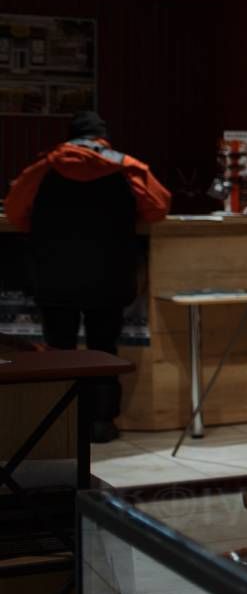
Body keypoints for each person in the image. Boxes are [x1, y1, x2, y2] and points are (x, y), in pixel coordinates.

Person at [4, 111, 172, 441]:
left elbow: (14, 211)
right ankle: (101, 423)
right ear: (103, 138)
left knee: (59, 353)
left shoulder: (44, 168)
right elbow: (158, 207)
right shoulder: (126, 167)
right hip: (109, 275)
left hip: (54, 275)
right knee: (104, 349)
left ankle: (59, 423)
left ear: (70, 136)